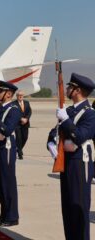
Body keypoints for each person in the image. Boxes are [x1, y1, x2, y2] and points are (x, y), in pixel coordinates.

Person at [47, 73, 95, 240]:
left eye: (70, 87)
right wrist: (52, 145)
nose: (67, 89)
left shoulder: (90, 113)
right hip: (65, 162)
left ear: (77, 90)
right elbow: (53, 133)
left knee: (79, 208)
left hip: (80, 164)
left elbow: (80, 136)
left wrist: (66, 120)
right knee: (67, 208)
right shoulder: (67, 111)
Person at [0, 80, 21, 227]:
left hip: (7, 148)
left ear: (8, 94)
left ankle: (12, 216)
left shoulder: (14, 109)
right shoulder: (1, 108)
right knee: (0, 181)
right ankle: (4, 214)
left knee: (8, 182)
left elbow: (7, 130)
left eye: (0, 92)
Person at [13, 90, 32, 160]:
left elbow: (29, 112)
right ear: (17, 96)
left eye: (21, 95)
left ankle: (18, 149)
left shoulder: (27, 103)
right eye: (19, 95)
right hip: (17, 124)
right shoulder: (14, 103)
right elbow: (14, 113)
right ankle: (20, 153)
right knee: (18, 139)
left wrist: (26, 119)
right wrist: (21, 119)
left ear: (23, 96)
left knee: (25, 137)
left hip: (25, 124)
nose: (20, 96)